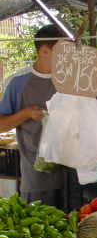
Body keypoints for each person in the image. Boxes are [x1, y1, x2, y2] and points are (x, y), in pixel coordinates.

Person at [0, 24, 66, 206]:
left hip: (75, 173)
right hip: (37, 176)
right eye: (63, 52)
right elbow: (2, 125)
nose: (68, 58)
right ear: (44, 51)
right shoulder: (19, 83)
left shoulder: (72, 79)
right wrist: (26, 113)